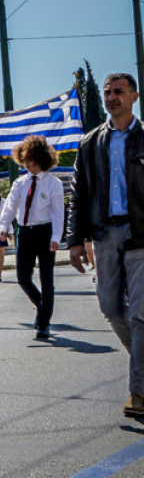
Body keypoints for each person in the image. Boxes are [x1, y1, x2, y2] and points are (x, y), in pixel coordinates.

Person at [66, 73, 143, 416]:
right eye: (107, 92)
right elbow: (79, 196)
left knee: (141, 315)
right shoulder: (89, 142)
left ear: (134, 96)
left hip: (141, 233)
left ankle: (138, 391)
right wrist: (75, 240)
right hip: (103, 235)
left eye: (119, 92)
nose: (112, 97)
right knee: (111, 309)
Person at [0, 135, 65, 341]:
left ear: (42, 159)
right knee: (23, 278)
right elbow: (10, 206)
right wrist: (4, 225)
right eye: (25, 160)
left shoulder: (53, 183)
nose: (28, 164)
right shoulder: (20, 183)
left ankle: (43, 323)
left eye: (32, 160)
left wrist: (56, 236)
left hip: (45, 233)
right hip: (25, 233)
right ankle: (42, 306)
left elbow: (58, 212)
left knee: (47, 281)